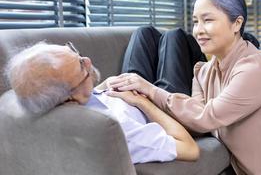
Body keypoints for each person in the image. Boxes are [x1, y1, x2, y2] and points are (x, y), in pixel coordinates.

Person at [107, 0, 261, 174]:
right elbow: (195, 122)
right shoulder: (203, 71)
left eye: (207, 20)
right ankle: (126, 110)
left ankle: (130, 113)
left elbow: (205, 117)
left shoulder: (257, 69)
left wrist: (149, 90)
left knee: (170, 39)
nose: (198, 30)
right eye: (195, 21)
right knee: (145, 33)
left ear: (237, 23)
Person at [4, 41, 200, 164]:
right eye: (81, 67)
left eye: (73, 51)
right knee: (175, 39)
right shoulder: (118, 131)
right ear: (70, 98)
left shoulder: (67, 103)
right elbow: (190, 150)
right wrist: (143, 101)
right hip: (160, 107)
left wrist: (107, 85)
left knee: (144, 33)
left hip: (124, 92)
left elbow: (85, 97)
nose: (88, 60)